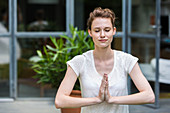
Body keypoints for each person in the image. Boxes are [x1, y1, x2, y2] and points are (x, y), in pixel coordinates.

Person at [55, 7, 155, 113]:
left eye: (107, 30)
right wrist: (97, 99)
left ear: (114, 31)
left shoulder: (127, 60)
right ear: (90, 32)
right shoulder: (79, 62)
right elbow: (60, 101)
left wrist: (112, 99)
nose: (102, 35)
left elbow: (149, 96)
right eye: (97, 30)